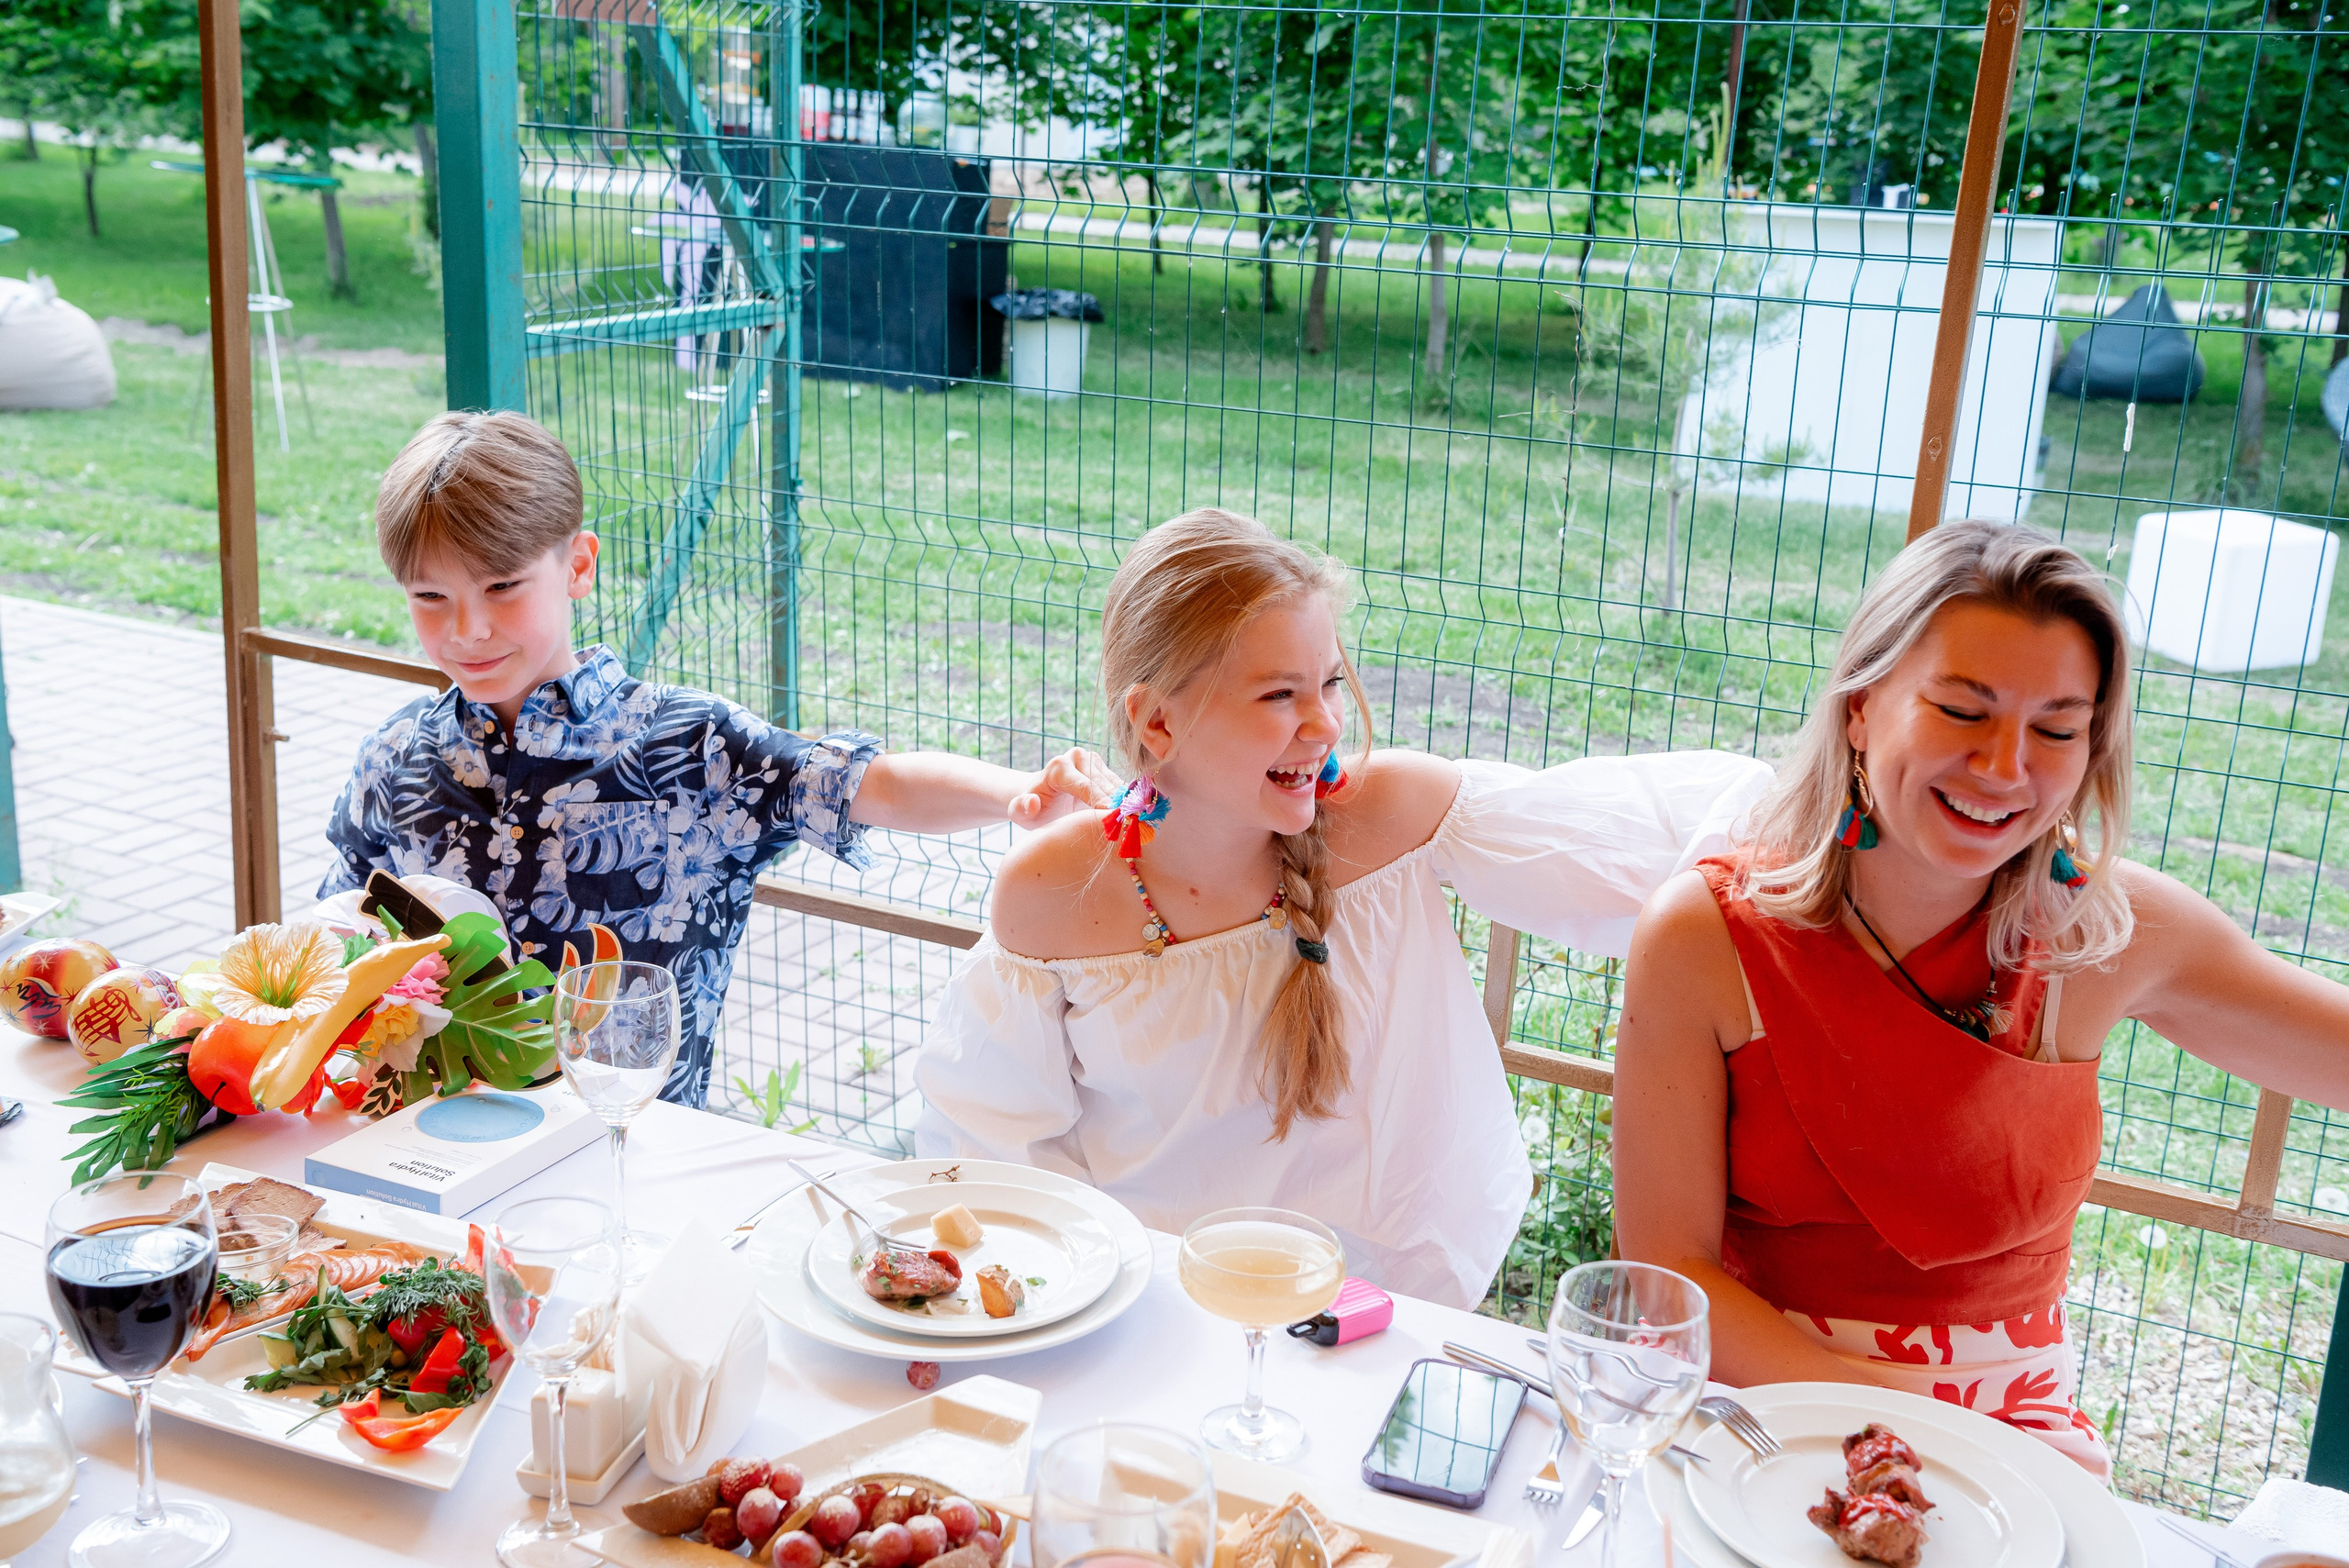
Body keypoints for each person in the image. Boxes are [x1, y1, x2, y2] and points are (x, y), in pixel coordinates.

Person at [1611, 517, 2349, 1474]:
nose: (2005, 768)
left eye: (2055, 728)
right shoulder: (1702, 936)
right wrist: (1904, 1423)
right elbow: (1668, 1272)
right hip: (1754, 1415)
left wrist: (1975, 1450)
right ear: (1862, 706)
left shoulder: (2104, 932)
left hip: (2015, 1449)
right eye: (1962, 710)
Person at [914, 508, 1776, 1307]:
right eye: (1278, 695)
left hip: (1385, 1315)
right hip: (1156, 1313)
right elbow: (1000, 1157)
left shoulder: (1387, 817)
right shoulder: (1051, 895)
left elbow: (1658, 837)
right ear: (1158, 721)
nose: (1324, 724)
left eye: (1329, 682)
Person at [320, 410, 1110, 1106]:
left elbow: (879, 786)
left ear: (579, 565)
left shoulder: (687, 745)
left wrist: (1023, 791)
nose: (468, 630)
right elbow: (331, 950)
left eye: (501, 587)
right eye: (430, 598)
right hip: (428, 1164)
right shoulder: (395, 760)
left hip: (638, 1157)